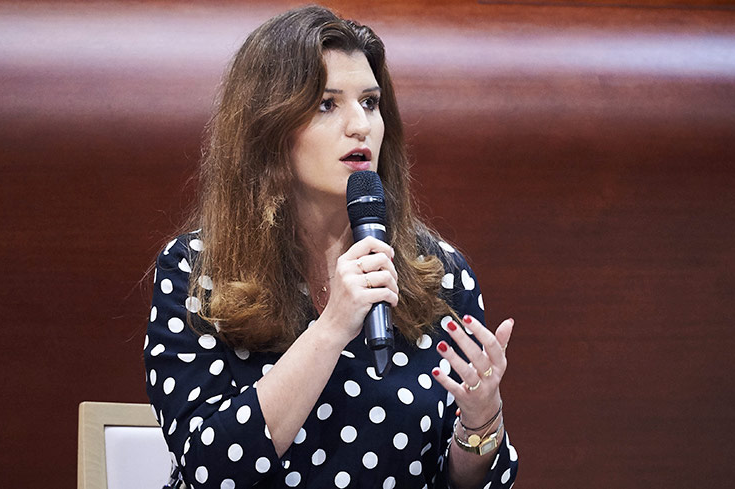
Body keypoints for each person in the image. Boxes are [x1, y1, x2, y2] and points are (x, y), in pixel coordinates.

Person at [145, 5, 518, 489]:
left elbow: (463, 480)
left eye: (369, 102)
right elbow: (209, 468)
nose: (360, 125)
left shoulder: (439, 272)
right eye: (327, 104)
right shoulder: (197, 272)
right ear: (270, 131)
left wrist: (481, 420)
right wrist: (332, 328)